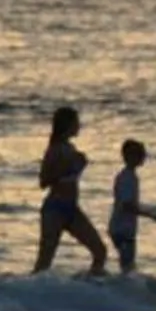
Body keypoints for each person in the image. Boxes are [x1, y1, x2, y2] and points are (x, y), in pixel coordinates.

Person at [34, 106, 110, 275]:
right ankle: (31, 290)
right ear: (67, 125)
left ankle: (91, 284)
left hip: (71, 208)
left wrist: (78, 163)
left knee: (100, 251)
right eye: (76, 122)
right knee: (44, 262)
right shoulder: (54, 149)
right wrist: (68, 166)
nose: (79, 126)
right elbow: (43, 181)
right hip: (55, 209)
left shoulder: (70, 147)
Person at [109, 139, 156, 275]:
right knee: (128, 267)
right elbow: (127, 205)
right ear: (130, 156)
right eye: (141, 154)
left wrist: (150, 211)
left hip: (121, 228)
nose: (143, 157)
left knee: (127, 265)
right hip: (123, 229)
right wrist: (151, 215)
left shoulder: (128, 176)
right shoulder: (127, 178)